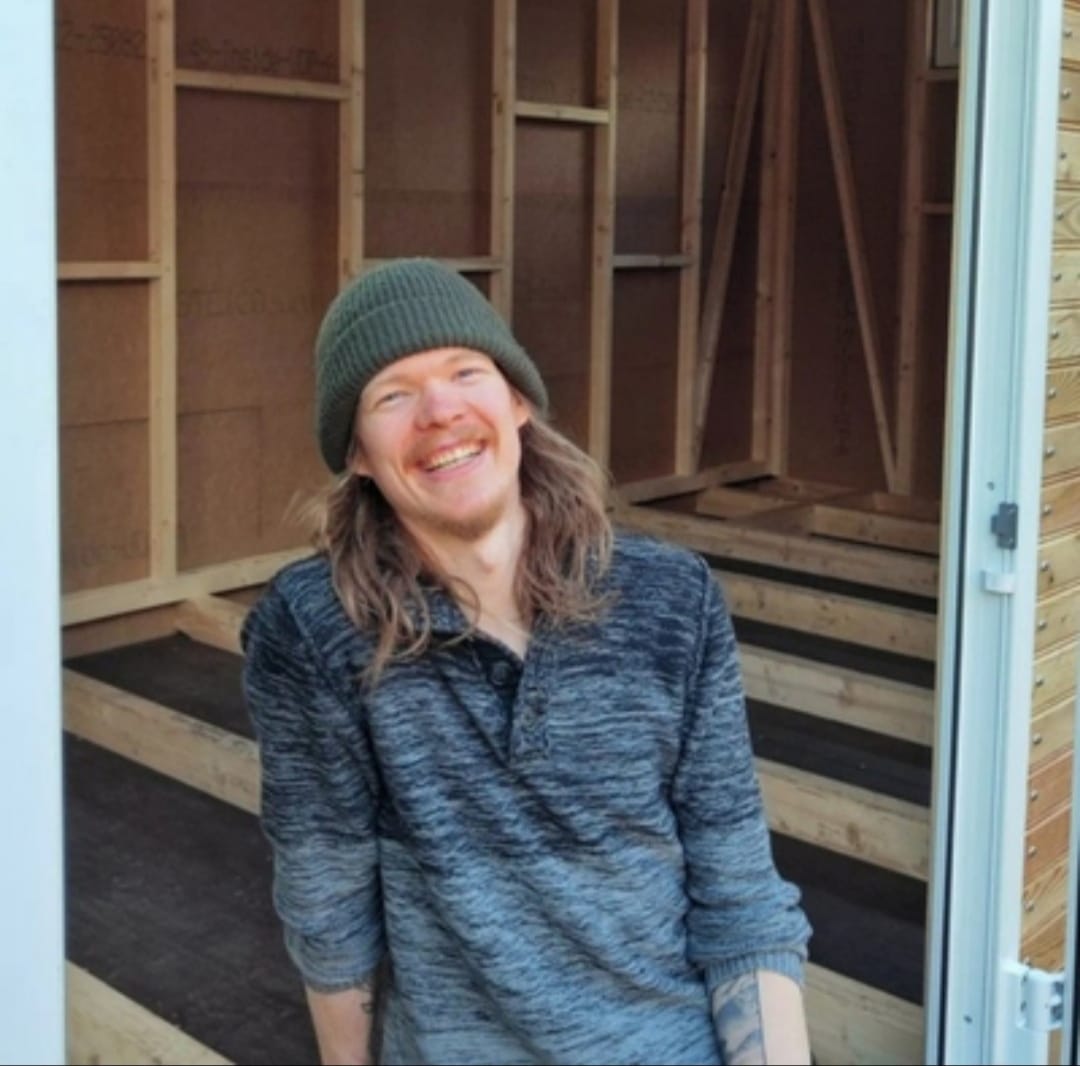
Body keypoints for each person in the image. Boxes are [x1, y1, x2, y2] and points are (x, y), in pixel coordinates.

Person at [241, 258, 812, 1065]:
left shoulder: (671, 601)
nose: (440, 411)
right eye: (392, 395)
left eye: (464, 371)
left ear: (517, 401)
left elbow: (741, 896)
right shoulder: (316, 629)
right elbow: (326, 904)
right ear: (358, 454)